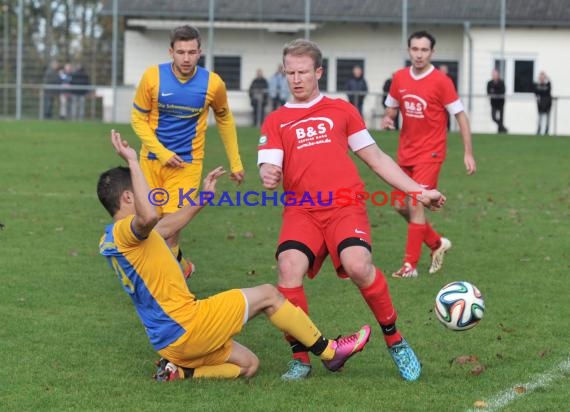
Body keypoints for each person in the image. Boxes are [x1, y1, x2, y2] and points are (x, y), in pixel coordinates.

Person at [98, 130, 371, 381]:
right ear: (127, 198)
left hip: (168, 343)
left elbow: (165, 226)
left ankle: (181, 372)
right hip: (189, 325)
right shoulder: (128, 230)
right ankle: (330, 352)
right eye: (141, 190)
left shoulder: (112, 238)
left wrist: (203, 198)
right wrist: (134, 161)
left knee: (248, 365)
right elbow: (150, 217)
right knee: (268, 294)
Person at [258, 38, 446, 381]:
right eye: (290, 73)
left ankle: (396, 341)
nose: (296, 79)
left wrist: (418, 191)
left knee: (359, 265)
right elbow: (269, 167)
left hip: (345, 206)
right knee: (288, 268)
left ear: (318, 72)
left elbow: (375, 158)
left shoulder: (341, 110)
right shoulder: (276, 120)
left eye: (302, 72)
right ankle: (300, 357)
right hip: (301, 211)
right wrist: (268, 174)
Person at [131, 25, 245, 279]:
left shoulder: (213, 84)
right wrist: (161, 152)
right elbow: (137, 119)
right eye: (180, 52)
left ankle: (169, 288)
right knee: (148, 223)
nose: (186, 58)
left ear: (200, 52)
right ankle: (182, 268)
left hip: (187, 165)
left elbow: (225, 120)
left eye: (191, 52)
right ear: (171, 51)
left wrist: (235, 163)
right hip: (150, 161)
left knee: (170, 229)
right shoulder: (153, 78)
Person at [381, 30, 476, 279]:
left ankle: (409, 266)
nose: (419, 54)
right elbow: (391, 109)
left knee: (415, 203)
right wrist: (388, 120)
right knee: (400, 206)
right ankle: (436, 243)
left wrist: (468, 152)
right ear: (408, 50)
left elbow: (461, 116)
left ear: (432, 52)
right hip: (405, 153)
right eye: (415, 49)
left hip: (431, 153)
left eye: (424, 50)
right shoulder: (399, 78)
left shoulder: (442, 81)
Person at [486, 68, 508, 133]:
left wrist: (494, 91)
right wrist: (495, 91)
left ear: (498, 75)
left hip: (501, 102)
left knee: (501, 118)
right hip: (493, 103)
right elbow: (488, 92)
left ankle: (500, 131)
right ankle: (503, 127)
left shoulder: (501, 82)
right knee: (493, 117)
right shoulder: (489, 83)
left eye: (495, 74)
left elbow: (502, 91)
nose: (494, 75)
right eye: (493, 74)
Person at [533, 71, 552, 135]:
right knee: (540, 117)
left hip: (547, 103)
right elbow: (536, 92)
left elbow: (548, 90)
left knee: (547, 117)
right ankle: (539, 129)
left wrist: (547, 78)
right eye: (541, 77)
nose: (542, 78)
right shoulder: (537, 85)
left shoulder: (547, 84)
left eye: (543, 77)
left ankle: (547, 130)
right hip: (540, 103)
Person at [438, 64, 455, 131]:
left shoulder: (450, 80)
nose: (443, 71)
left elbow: (453, 89)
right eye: (442, 70)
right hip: (438, 100)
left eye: (444, 70)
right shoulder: (435, 79)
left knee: (447, 114)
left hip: (447, 100)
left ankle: (448, 129)